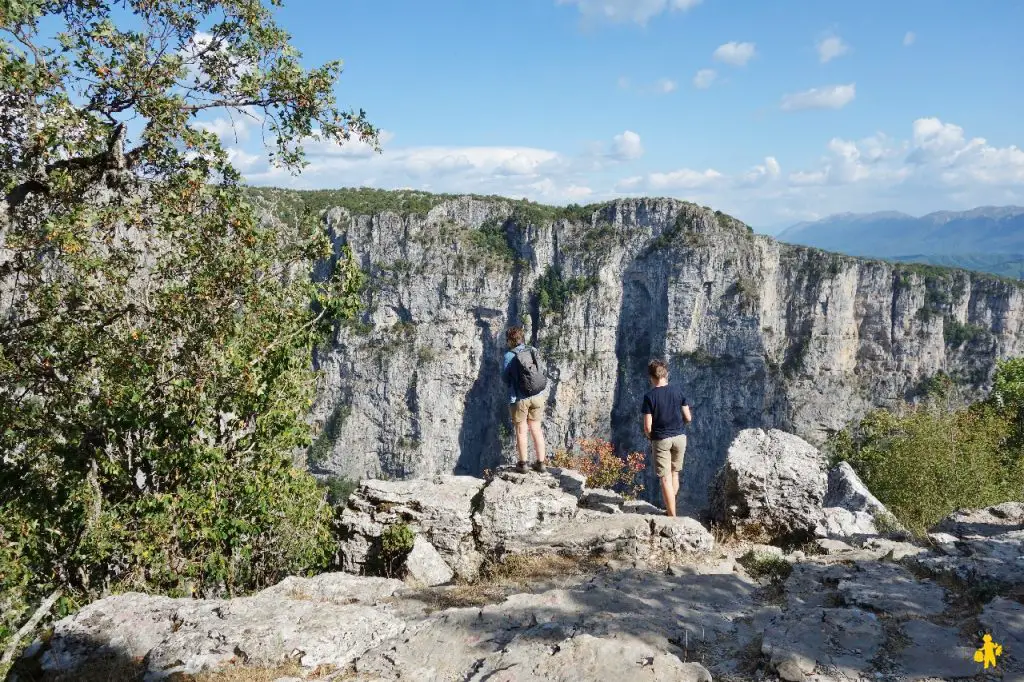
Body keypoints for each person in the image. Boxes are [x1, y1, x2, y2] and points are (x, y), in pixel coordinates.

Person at [641, 359, 692, 516]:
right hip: (680, 437)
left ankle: (671, 515)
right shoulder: (678, 391)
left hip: (661, 439)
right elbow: (688, 418)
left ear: (651, 377)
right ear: (666, 374)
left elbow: (647, 426)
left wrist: (652, 438)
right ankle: (671, 509)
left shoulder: (649, 397)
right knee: (675, 474)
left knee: (664, 478)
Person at [502, 326, 547, 473]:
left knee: (521, 430)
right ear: (522, 338)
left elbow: (505, 378)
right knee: (536, 428)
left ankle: (523, 464)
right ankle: (541, 463)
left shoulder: (509, 356)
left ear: (510, 340)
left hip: (519, 398)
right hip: (537, 395)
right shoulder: (532, 349)